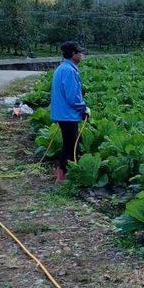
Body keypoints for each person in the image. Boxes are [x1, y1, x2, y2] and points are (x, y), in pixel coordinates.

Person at [50, 41, 90, 183]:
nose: (82, 55)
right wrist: (84, 108)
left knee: (69, 144)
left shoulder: (63, 68)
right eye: (80, 53)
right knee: (70, 146)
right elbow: (72, 96)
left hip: (63, 114)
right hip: (68, 115)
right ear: (73, 54)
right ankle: (65, 177)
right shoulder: (69, 70)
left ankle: (62, 175)